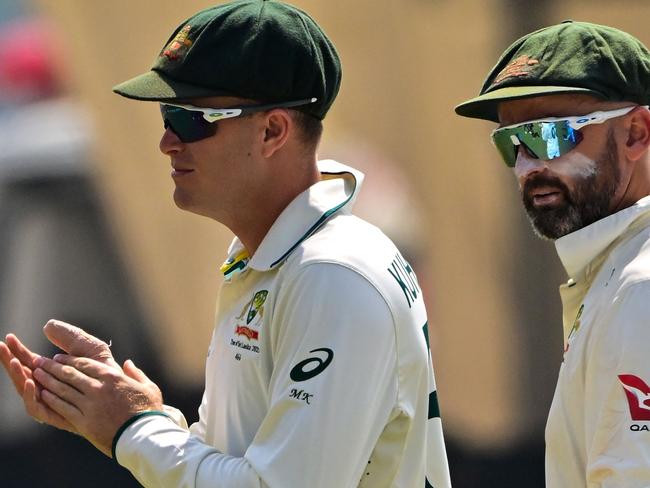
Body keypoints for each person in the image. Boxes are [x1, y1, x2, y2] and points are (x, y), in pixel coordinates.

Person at [0, 1, 452, 487]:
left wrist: (133, 427)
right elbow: (237, 462)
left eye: (192, 119)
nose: (168, 142)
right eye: (167, 115)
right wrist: (135, 415)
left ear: (273, 130)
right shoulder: (272, 256)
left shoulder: (331, 273)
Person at [456, 20, 650, 487]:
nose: (528, 166)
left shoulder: (639, 287)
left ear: (636, 133)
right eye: (510, 142)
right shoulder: (616, 273)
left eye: (550, 135)